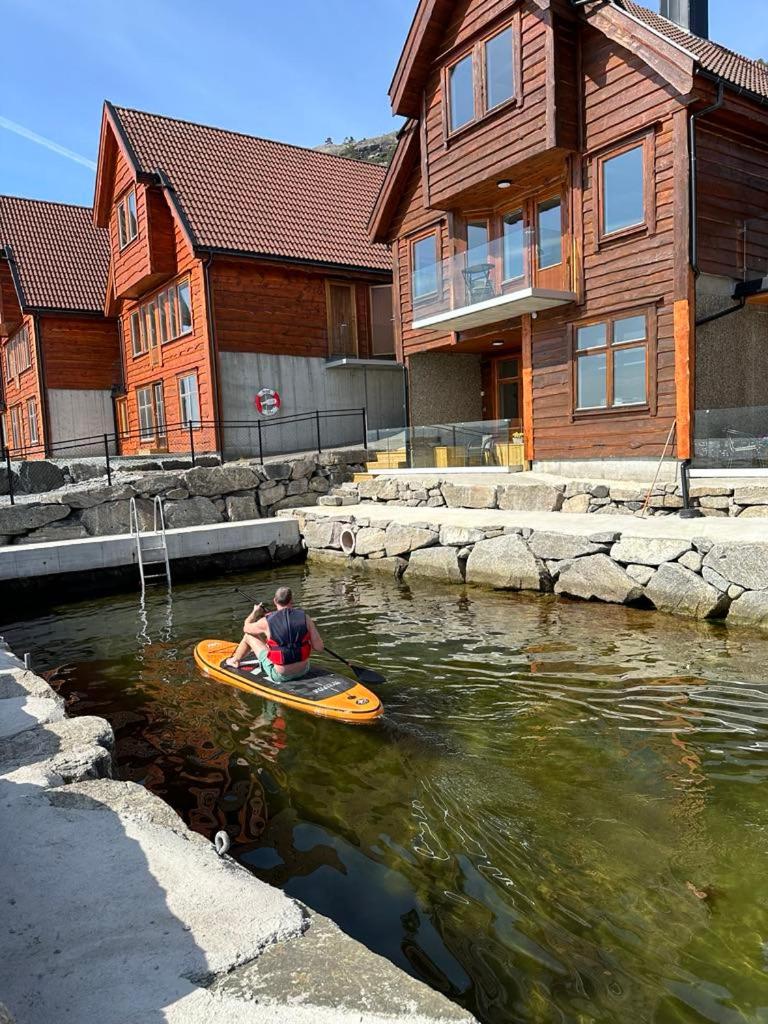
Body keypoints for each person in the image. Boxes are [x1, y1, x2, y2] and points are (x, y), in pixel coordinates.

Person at [226, 586, 323, 683]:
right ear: (291, 600)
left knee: (248, 636)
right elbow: (319, 647)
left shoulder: (266, 622)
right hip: (304, 670)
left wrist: (254, 613)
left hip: (280, 675)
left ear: (275, 601)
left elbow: (246, 628)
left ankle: (235, 660)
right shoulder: (305, 618)